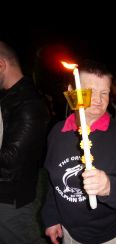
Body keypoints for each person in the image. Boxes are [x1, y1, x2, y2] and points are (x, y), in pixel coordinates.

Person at [41, 59, 116, 244]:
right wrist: (51, 216)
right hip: (70, 233)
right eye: (90, 91)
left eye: (104, 93)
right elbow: (53, 182)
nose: (98, 100)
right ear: (72, 91)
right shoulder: (57, 132)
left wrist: (109, 187)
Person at [0, 40, 50, 243]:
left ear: (1, 64)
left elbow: (11, 160)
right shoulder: (8, 97)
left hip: (10, 200)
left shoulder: (30, 103)